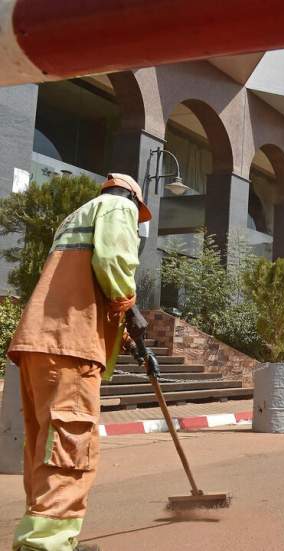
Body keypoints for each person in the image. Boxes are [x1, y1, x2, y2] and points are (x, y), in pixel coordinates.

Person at [7, 174, 151, 551]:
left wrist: (127, 334)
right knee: (70, 449)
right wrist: (130, 307)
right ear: (134, 201)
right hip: (71, 345)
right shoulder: (118, 207)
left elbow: (87, 275)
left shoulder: (76, 216)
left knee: (47, 447)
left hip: (42, 343)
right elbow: (115, 264)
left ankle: (43, 536)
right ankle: (47, 545)